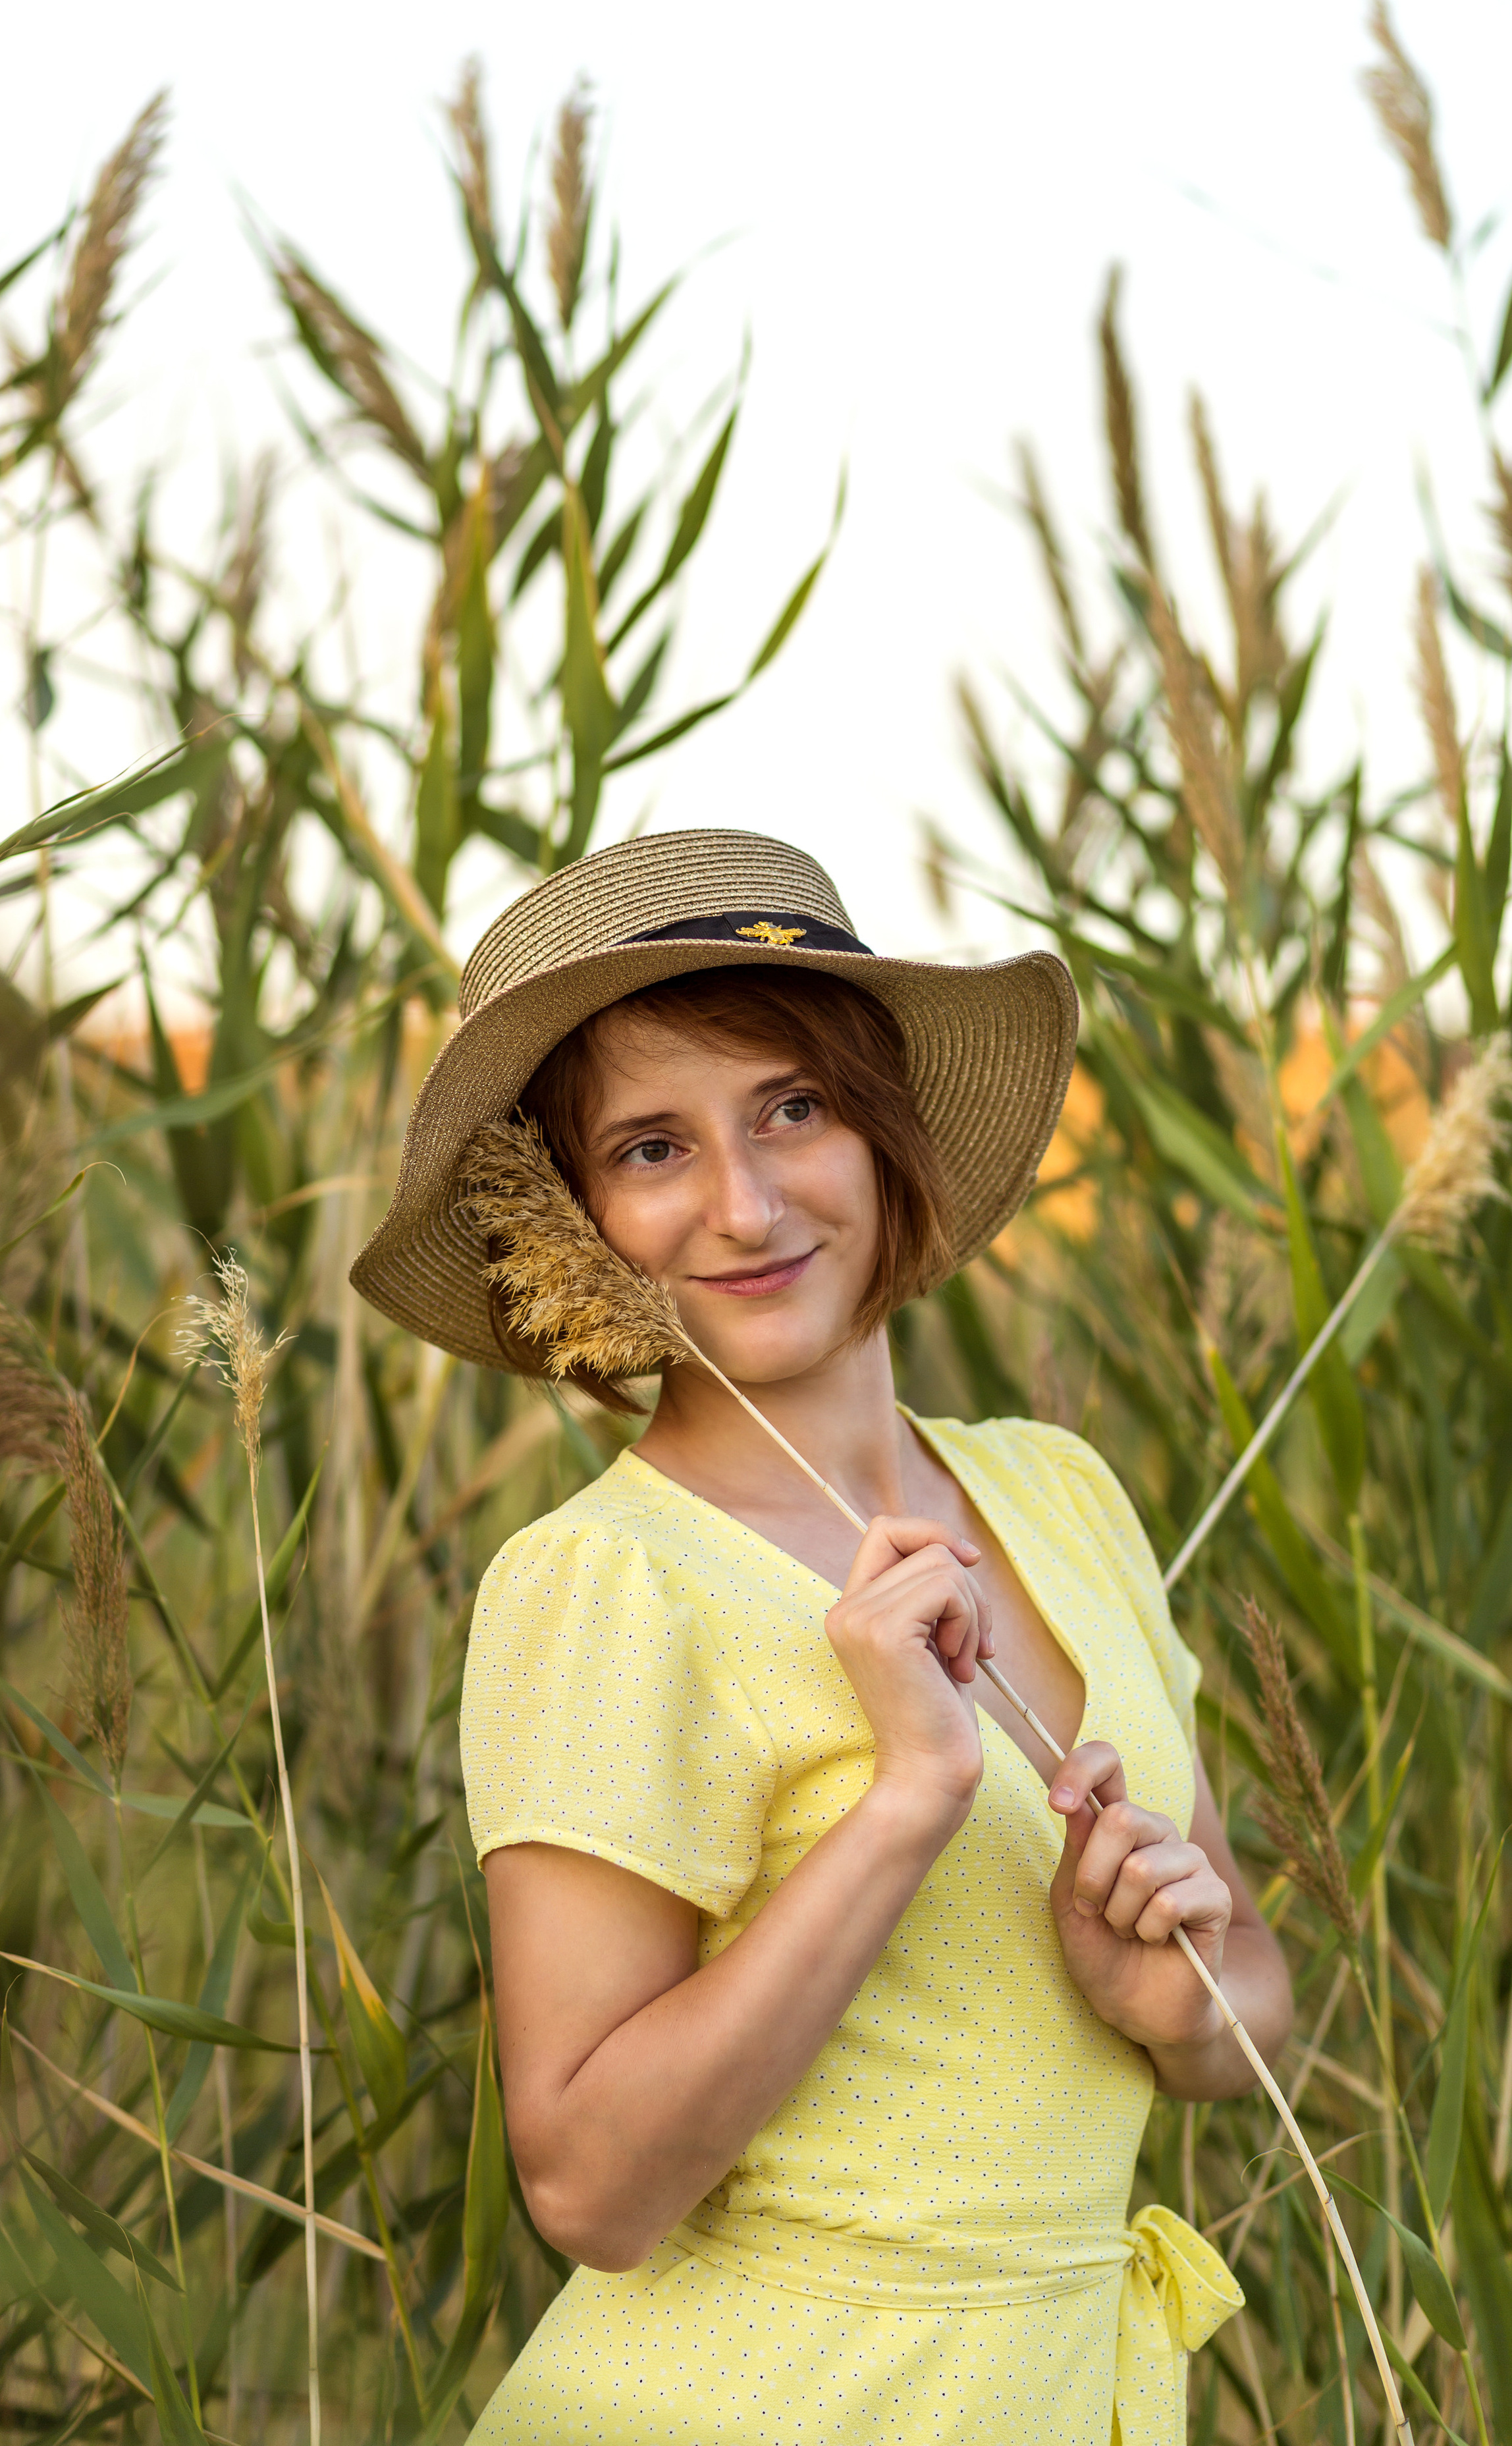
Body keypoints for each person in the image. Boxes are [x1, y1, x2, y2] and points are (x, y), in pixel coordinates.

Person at [349, 829, 1292, 2446]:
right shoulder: (607, 1584)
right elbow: (585, 2184)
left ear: (881, 1129)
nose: (746, 1201)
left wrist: (1179, 2004)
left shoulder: (1056, 1494)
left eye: (793, 1106)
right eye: (650, 1149)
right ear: (570, 1225)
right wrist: (905, 1805)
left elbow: (1249, 2002)